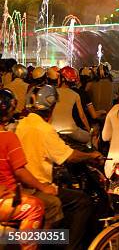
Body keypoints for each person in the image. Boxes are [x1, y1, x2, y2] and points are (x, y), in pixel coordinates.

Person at [16, 84, 102, 250]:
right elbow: (70, 156)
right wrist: (91, 155)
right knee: (82, 201)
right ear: (52, 106)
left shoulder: (21, 124)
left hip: (21, 187)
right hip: (37, 188)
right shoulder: (45, 129)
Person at [0, 88, 56, 250]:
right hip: (5, 202)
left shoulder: (18, 129)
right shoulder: (8, 137)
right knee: (36, 207)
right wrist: (43, 187)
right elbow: (20, 172)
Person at [51, 66, 91, 144]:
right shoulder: (75, 95)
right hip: (71, 130)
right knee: (89, 138)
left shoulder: (52, 92)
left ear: (62, 79)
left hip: (54, 130)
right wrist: (89, 130)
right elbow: (82, 116)